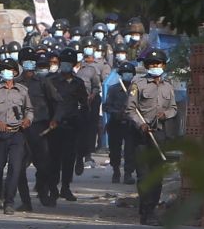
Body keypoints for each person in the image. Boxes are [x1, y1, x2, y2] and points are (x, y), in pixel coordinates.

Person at [127, 49, 177, 225]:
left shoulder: (168, 86)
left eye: (159, 64)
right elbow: (130, 110)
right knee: (144, 175)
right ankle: (146, 209)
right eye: (152, 64)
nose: (155, 67)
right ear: (147, 66)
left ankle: (151, 209)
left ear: (164, 65)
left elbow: (173, 108)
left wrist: (166, 114)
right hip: (141, 135)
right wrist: (140, 124)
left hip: (160, 135)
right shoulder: (138, 85)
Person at [0, 58, 33, 215]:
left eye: (11, 70)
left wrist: (28, 120)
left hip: (16, 134)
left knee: (15, 168)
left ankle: (9, 202)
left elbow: (29, 109)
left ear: (16, 73)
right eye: (4, 69)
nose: (8, 72)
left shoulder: (22, 91)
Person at [16, 47, 61, 209]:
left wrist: (55, 119)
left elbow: (57, 101)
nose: (30, 64)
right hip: (19, 130)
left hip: (40, 129)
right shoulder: (15, 83)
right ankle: (26, 201)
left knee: (44, 165)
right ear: (21, 63)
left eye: (32, 61)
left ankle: (43, 191)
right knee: (18, 167)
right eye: (26, 61)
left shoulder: (43, 82)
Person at [47, 48, 88, 204]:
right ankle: (53, 188)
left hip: (71, 125)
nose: (66, 66)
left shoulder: (78, 83)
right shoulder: (51, 81)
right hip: (54, 125)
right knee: (54, 158)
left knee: (69, 158)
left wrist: (82, 123)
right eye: (63, 63)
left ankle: (65, 187)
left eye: (69, 63)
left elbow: (84, 105)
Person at [103, 61, 137, 185]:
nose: (127, 75)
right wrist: (116, 112)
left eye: (129, 73)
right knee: (115, 150)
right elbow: (106, 106)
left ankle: (128, 174)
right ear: (120, 75)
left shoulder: (136, 89)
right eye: (124, 73)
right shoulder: (113, 89)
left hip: (130, 125)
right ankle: (116, 171)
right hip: (116, 124)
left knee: (130, 151)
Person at [73, 39, 101, 174]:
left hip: (85, 107)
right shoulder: (65, 71)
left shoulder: (90, 69)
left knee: (85, 132)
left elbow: (97, 86)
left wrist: (92, 95)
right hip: (69, 107)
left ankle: (82, 156)